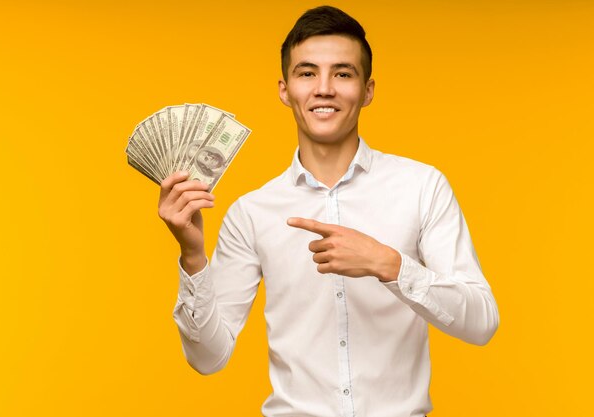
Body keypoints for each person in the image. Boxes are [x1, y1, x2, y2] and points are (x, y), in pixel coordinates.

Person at [158, 5, 499, 417]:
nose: (324, 88)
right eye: (307, 73)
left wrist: (389, 264)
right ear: (285, 90)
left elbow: (481, 323)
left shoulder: (422, 186)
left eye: (342, 73)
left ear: (367, 90)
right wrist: (193, 257)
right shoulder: (252, 212)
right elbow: (208, 359)